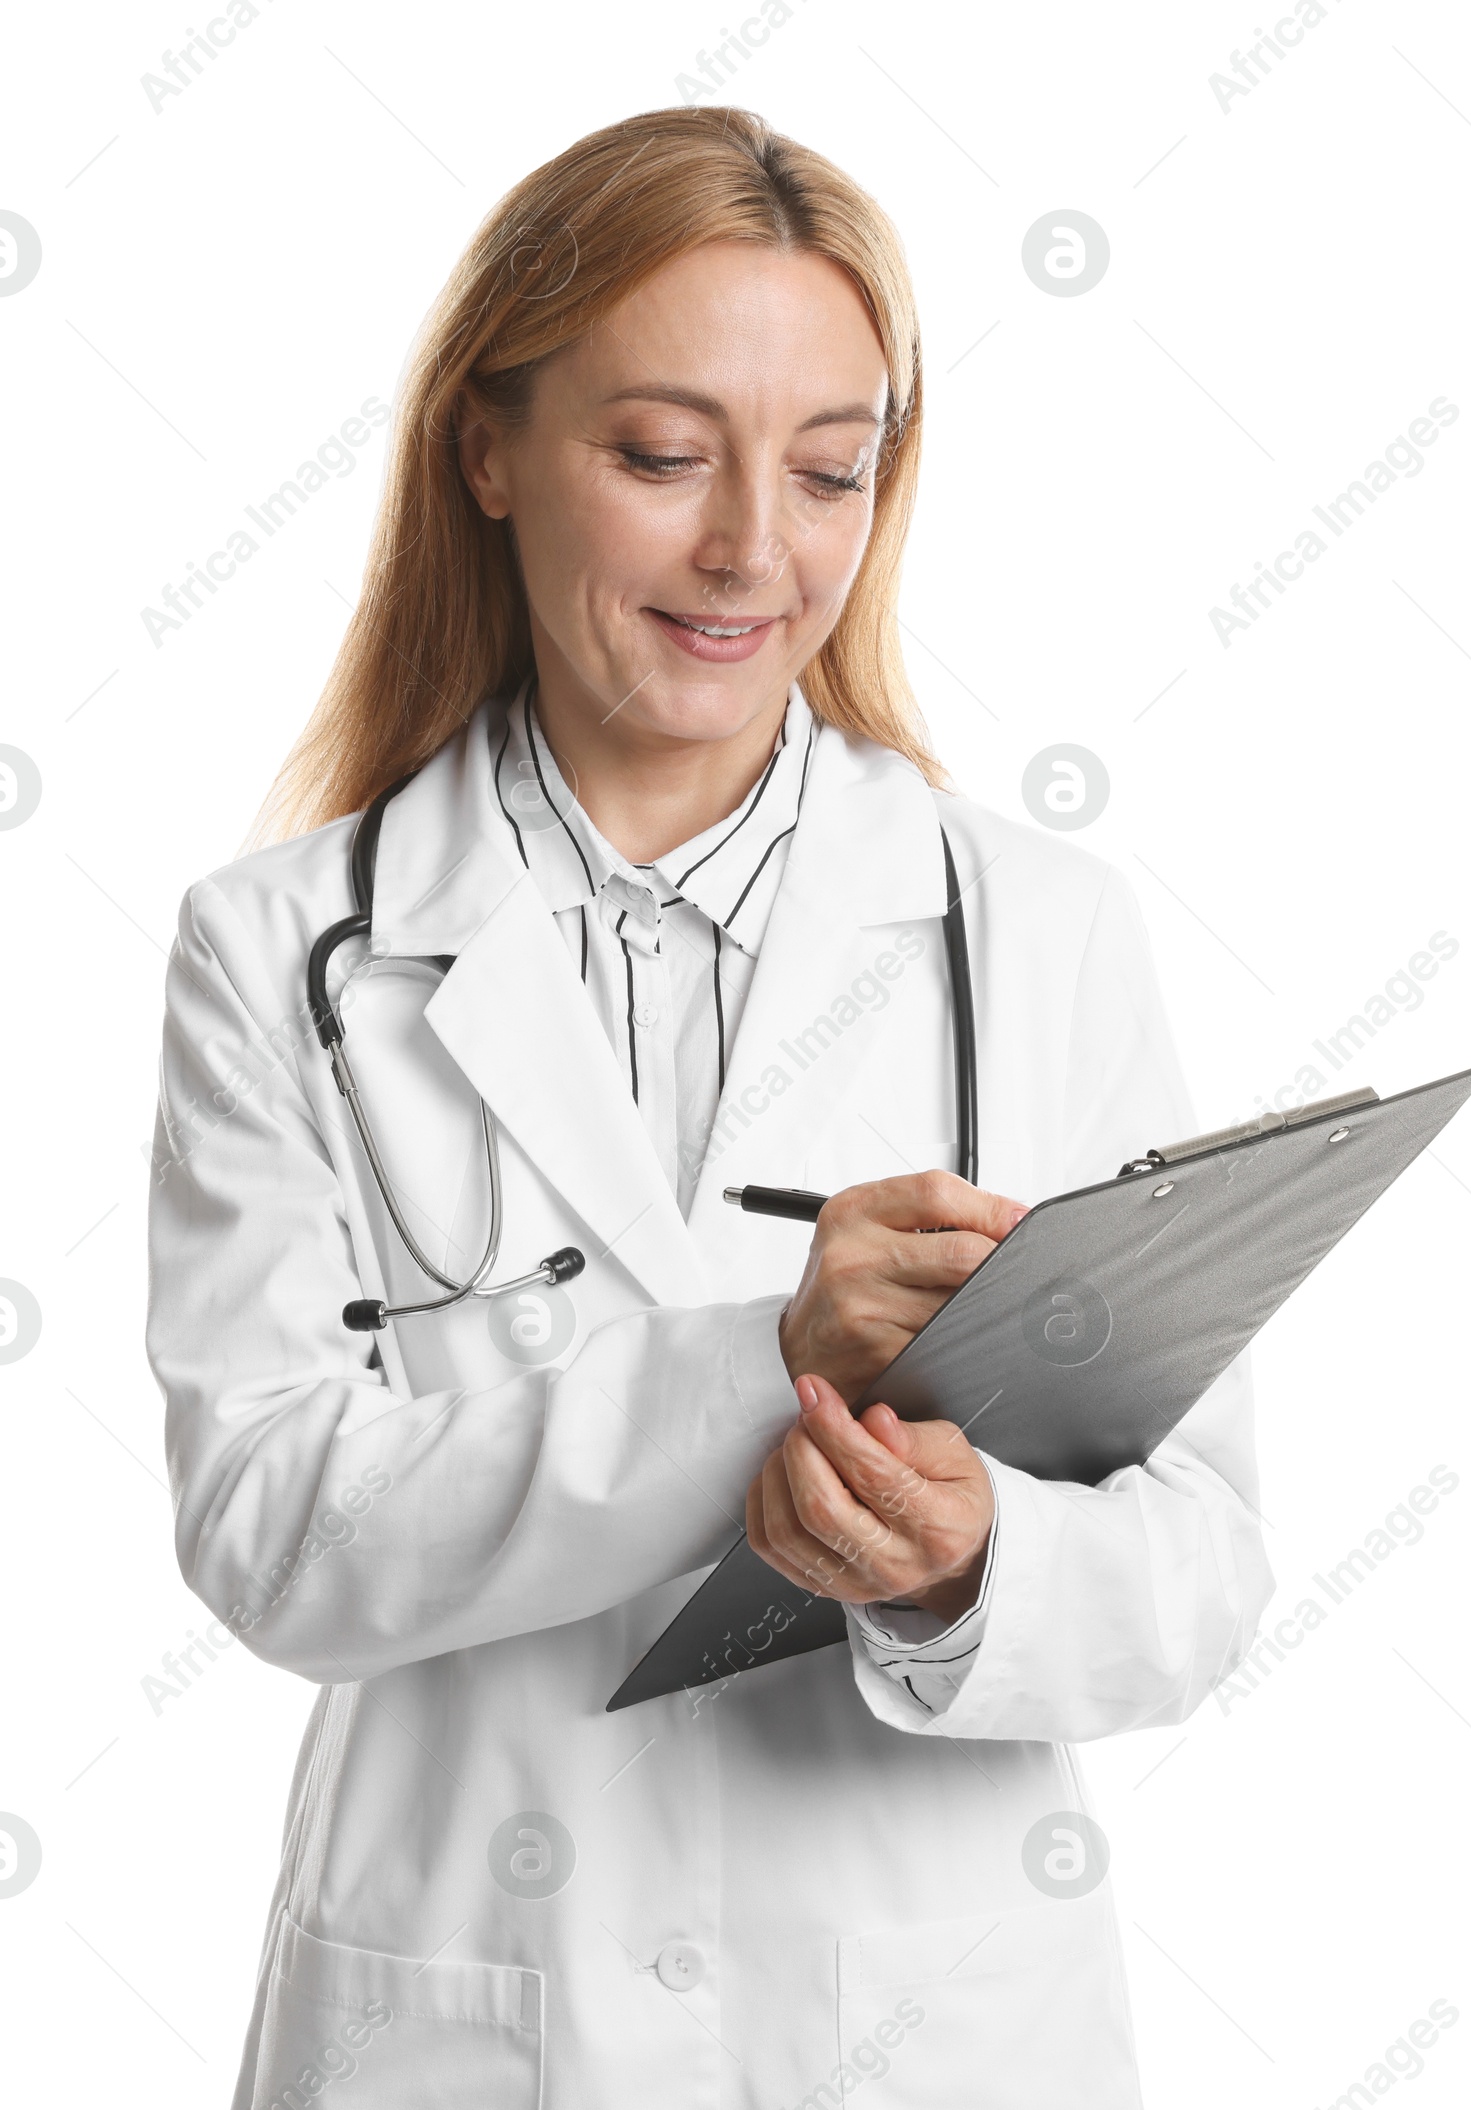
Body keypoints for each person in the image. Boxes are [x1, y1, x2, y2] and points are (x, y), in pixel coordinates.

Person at [147, 106, 1273, 2110]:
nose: (756, 547)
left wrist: (960, 1562)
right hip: (465, 2011)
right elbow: (271, 1538)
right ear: (483, 451)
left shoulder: (1028, 924)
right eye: (662, 457)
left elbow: (1192, 1577)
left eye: (828, 467)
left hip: (931, 2020)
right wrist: (762, 1357)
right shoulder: (283, 946)